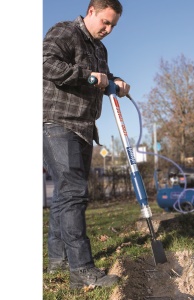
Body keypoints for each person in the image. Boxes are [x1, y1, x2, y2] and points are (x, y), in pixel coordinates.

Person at [43, 0, 130, 289]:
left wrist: (116, 81)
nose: (108, 29)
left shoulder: (99, 49)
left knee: (65, 194)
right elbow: (46, 63)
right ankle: (81, 268)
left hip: (84, 127)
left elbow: (103, 80)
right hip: (58, 121)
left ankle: (59, 259)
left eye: (113, 26)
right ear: (91, 11)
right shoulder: (65, 32)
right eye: (105, 22)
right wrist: (90, 76)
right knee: (75, 193)